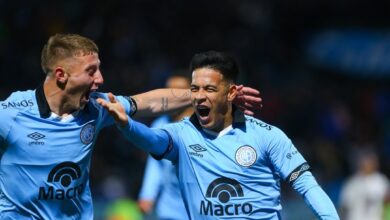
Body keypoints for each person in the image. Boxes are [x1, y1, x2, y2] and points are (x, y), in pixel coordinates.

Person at [0, 34, 262, 219]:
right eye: (91, 71)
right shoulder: (12, 114)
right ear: (61, 75)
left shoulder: (96, 107)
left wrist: (208, 96)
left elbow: (150, 102)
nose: (100, 79)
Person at [98, 50, 340, 219]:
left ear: (232, 92)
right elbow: (152, 140)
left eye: (210, 89)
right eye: (195, 89)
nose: (200, 96)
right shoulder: (181, 134)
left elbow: (308, 187)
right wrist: (126, 124)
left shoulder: (268, 136)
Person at [137, 72, 193, 220]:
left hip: (199, 207)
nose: (173, 95)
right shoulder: (160, 124)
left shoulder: (204, 124)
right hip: (169, 208)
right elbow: (155, 165)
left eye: (179, 90)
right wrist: (147, 194)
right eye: (169, 90)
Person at [339, 149, 390, 220]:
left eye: (370, 162)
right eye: (365, 162)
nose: (368, 164)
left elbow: (387, 203)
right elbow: (344, 206)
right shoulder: (352, 183)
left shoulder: (381, 181)